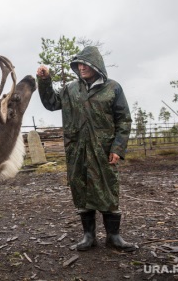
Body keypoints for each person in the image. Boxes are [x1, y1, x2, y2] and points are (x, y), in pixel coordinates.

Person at [36, 46, 135, 252]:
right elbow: (51, 103)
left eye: (85, 64)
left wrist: (118, 148)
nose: (81, 67)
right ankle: (88, 236)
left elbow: (124, 120)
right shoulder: (71, 89)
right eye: (78, 64)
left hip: (104, 151)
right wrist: (45, 81)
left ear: (96, 65)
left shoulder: (113, 88)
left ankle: (113, 237)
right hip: (77, 150)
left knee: (108, 189)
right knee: (81, 189)